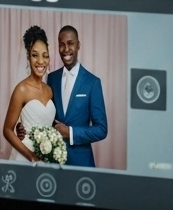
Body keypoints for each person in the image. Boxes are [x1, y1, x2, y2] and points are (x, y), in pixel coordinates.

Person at [20, 25, 107, 168]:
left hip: (81, 163)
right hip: (53, 162)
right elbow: (45, 114)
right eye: (62, 45)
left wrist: (70, 133)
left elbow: (101, 129)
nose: (66, 49)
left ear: (78, 45)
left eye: (70, 44)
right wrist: (23, 128)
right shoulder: (52, 78)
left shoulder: (93, 83)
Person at [3, 26, 56, 162]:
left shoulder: (49, 90)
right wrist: (31, 156)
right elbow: (7, 130)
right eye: (34, 55)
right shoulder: (21, 89)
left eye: (45, 56)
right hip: (24, 156)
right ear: (28, 57)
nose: (40, 61)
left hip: (46, 157)